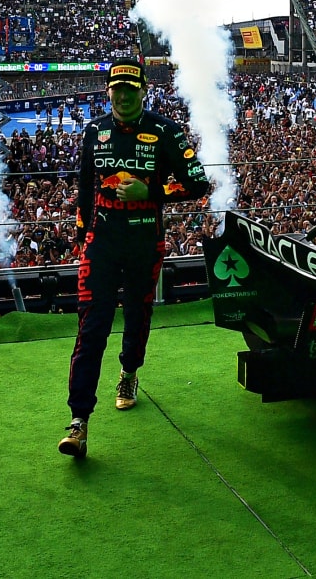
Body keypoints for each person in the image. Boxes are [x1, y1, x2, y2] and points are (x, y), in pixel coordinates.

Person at [58, 59, 211, 458]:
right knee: (91, 327)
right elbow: (85, 186)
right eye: (116, 89)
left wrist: (152, 193)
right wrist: (81, 233)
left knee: (138, 314)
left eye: (131, 88)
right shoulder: (94, 131)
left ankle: (128, 373)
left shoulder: (166, 132)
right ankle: (79, 422)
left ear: (144, 90)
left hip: (145, 240)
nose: (123, 96)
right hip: (102, 241)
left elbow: (198, 183)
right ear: (107, 91)